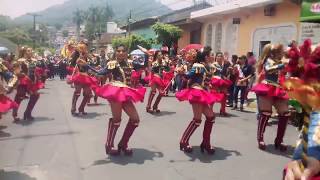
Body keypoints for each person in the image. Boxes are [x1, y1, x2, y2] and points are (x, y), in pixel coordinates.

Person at [90, 44, 146, 156]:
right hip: (115, 92)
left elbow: (143, 65)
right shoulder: (112, 64)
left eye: (123, 51)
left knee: (135, 119)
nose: (120, 53)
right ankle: (109, 145)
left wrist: (147, 54)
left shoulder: (131, 63)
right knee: (117, 119)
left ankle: (123, 144)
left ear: (127, 52)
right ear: (116, 52)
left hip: (126, 92)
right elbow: (101, 73)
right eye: (118, 51)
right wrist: (88, 67)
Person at [176, 48, 220, 154]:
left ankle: (206, 142)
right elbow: (188, 76)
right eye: (211, 54)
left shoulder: (209, 66)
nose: (212, 56)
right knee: (197, 119)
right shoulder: (199, 66)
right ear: (206, 56)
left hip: (203, 93)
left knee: (211, 117)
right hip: (197, 92)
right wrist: (181, 72)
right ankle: (184, 141)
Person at [251, 44, 290, 151]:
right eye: (281, 51)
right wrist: (282, 64)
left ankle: (279, 140)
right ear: (275, 53)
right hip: (267, 87)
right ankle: (260, 138)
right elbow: (268, 69)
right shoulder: (269, 60)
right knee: (266, 113)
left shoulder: (281, 61)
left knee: (285, 113)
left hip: (278, 89)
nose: (283, 53)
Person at [13, 47, 44, 121]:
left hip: (32, 82)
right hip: (23, 82)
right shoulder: (20, 61)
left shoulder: (34, 60)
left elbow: (35, 70)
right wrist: (23, 75)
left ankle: (27, 113)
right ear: (25, 52)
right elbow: (16, 72)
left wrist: (38, 78)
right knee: (19, 97)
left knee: (35, 96)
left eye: (31, 51)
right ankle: (14, 114)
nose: (31, 52)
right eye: (29, 51)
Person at [69, 41, 96, 116]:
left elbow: (92, 64)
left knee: (88, 94)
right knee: (77, 92)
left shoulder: (88, 55)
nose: (85, 48)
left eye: (86, 46)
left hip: (86, 76)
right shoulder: (76, 55)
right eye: (84, 46)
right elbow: (73, 64)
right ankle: (73, 108)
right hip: (79, 76)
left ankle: (81, 108)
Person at [211, 52, 232, 116]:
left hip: (223, 81)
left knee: (224, 95)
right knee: (213, 95)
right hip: (215, 81)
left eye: (221, 56)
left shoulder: (225, 64)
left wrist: (229, 70)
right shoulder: (213, 64)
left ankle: (222, 110)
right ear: (216, 57)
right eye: (218, 56)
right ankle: (210, 110)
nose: (220, 57)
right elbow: (212, 73)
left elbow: (227, 73)